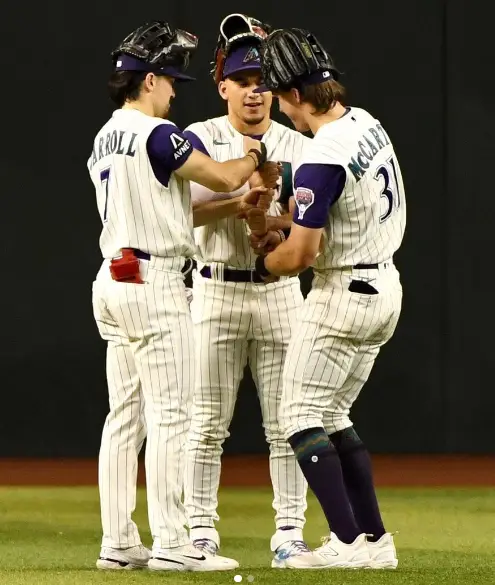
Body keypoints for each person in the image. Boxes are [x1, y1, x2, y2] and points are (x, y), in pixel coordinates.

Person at [88, 20, 271, 572]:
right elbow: (219, 176)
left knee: (125, 416)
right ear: (147, 81)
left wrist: (233, 203)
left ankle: (119, 543)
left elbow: (178, 205)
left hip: (113, 279)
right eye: (169, 80)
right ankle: (173, 543)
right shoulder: (156, 134)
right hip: (154, 282)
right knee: (173, 415)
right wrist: (254, 158)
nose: (173, 90)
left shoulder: (103, 136)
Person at [251, 28, 406, 569]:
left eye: (278, 92)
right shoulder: (366, 122)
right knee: (333, 412)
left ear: (292, 95)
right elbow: (335, 202)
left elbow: (299, 257)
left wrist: (264, 261)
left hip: (345, 292)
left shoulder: (323, 155)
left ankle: (345, 542)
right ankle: (374, 541)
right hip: (385, 284)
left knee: (297, 414)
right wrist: (284, 217)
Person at [181, 14, 322, 570]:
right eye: (242, 79)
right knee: (205, 423)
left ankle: (290, 532)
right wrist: (239, 203)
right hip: (215, 289)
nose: (254, 89)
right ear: (224, 87)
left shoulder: (297, 141)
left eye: (262, 79)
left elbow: (317, 221)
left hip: (280, 292)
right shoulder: (200, 137)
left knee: (289, 421)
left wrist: (274, 219)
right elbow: (184, 213)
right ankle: (199, 534)